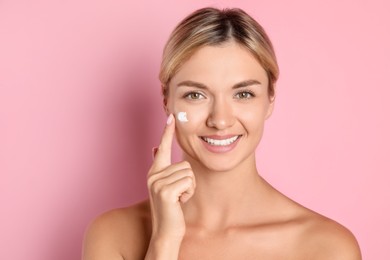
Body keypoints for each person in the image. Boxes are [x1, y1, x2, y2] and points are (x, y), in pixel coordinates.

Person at [82, 7, 361, 259]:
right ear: (166, 101)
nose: (220, 120)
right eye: (195, 94)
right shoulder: (112, 236)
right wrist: (165, 241)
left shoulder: (326, 247)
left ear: (270, 100)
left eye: (243, 94)